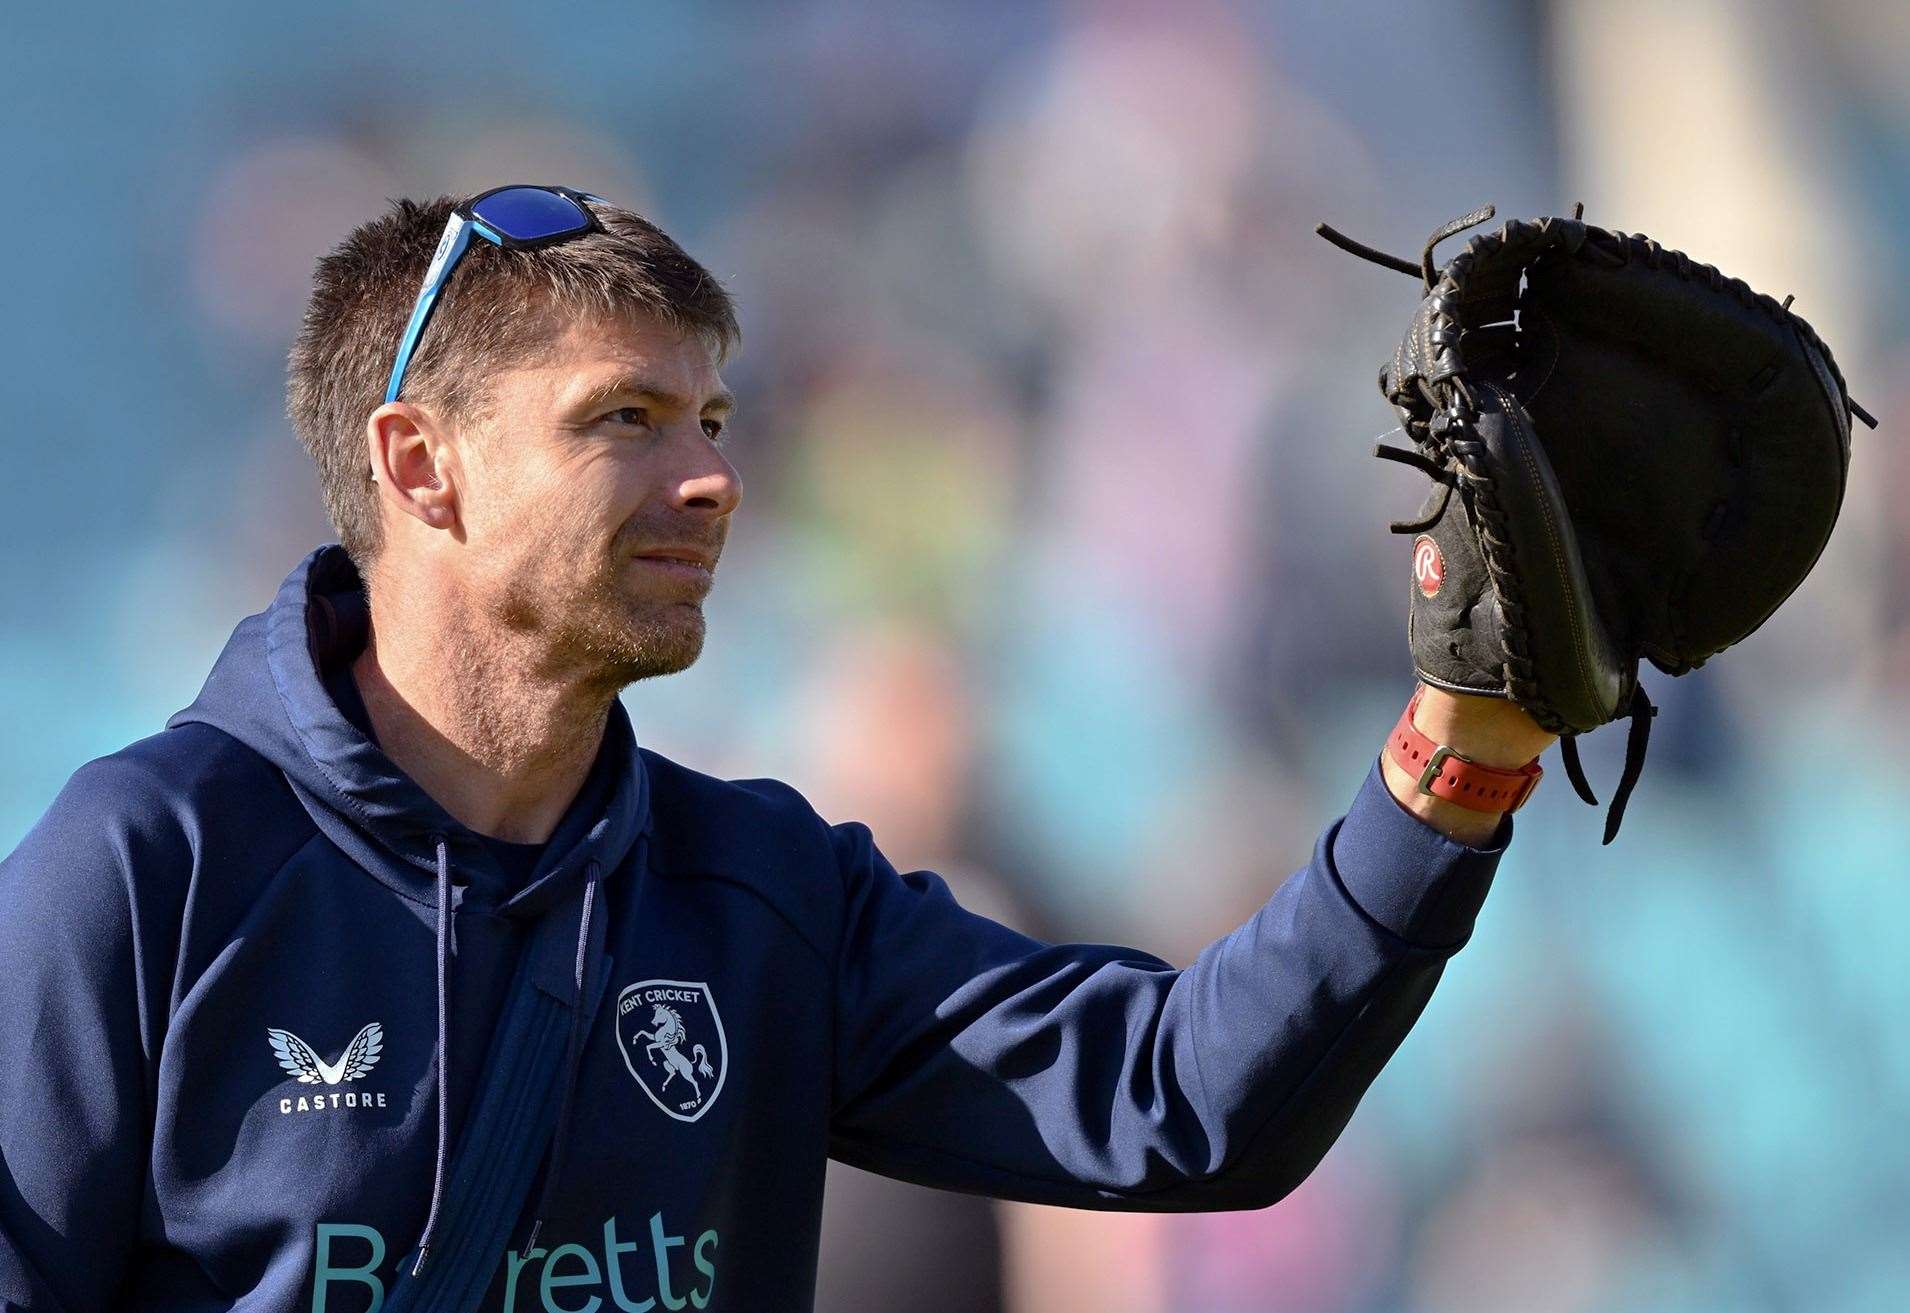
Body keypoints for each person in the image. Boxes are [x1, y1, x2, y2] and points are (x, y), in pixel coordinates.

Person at [0, 186, 1555, 1313]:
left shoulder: (761, 892)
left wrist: (1459, 752)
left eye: (716, 419)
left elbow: (1182, 1099)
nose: (714, 480)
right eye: (624, 420)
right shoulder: (151, 867)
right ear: (422, 464)